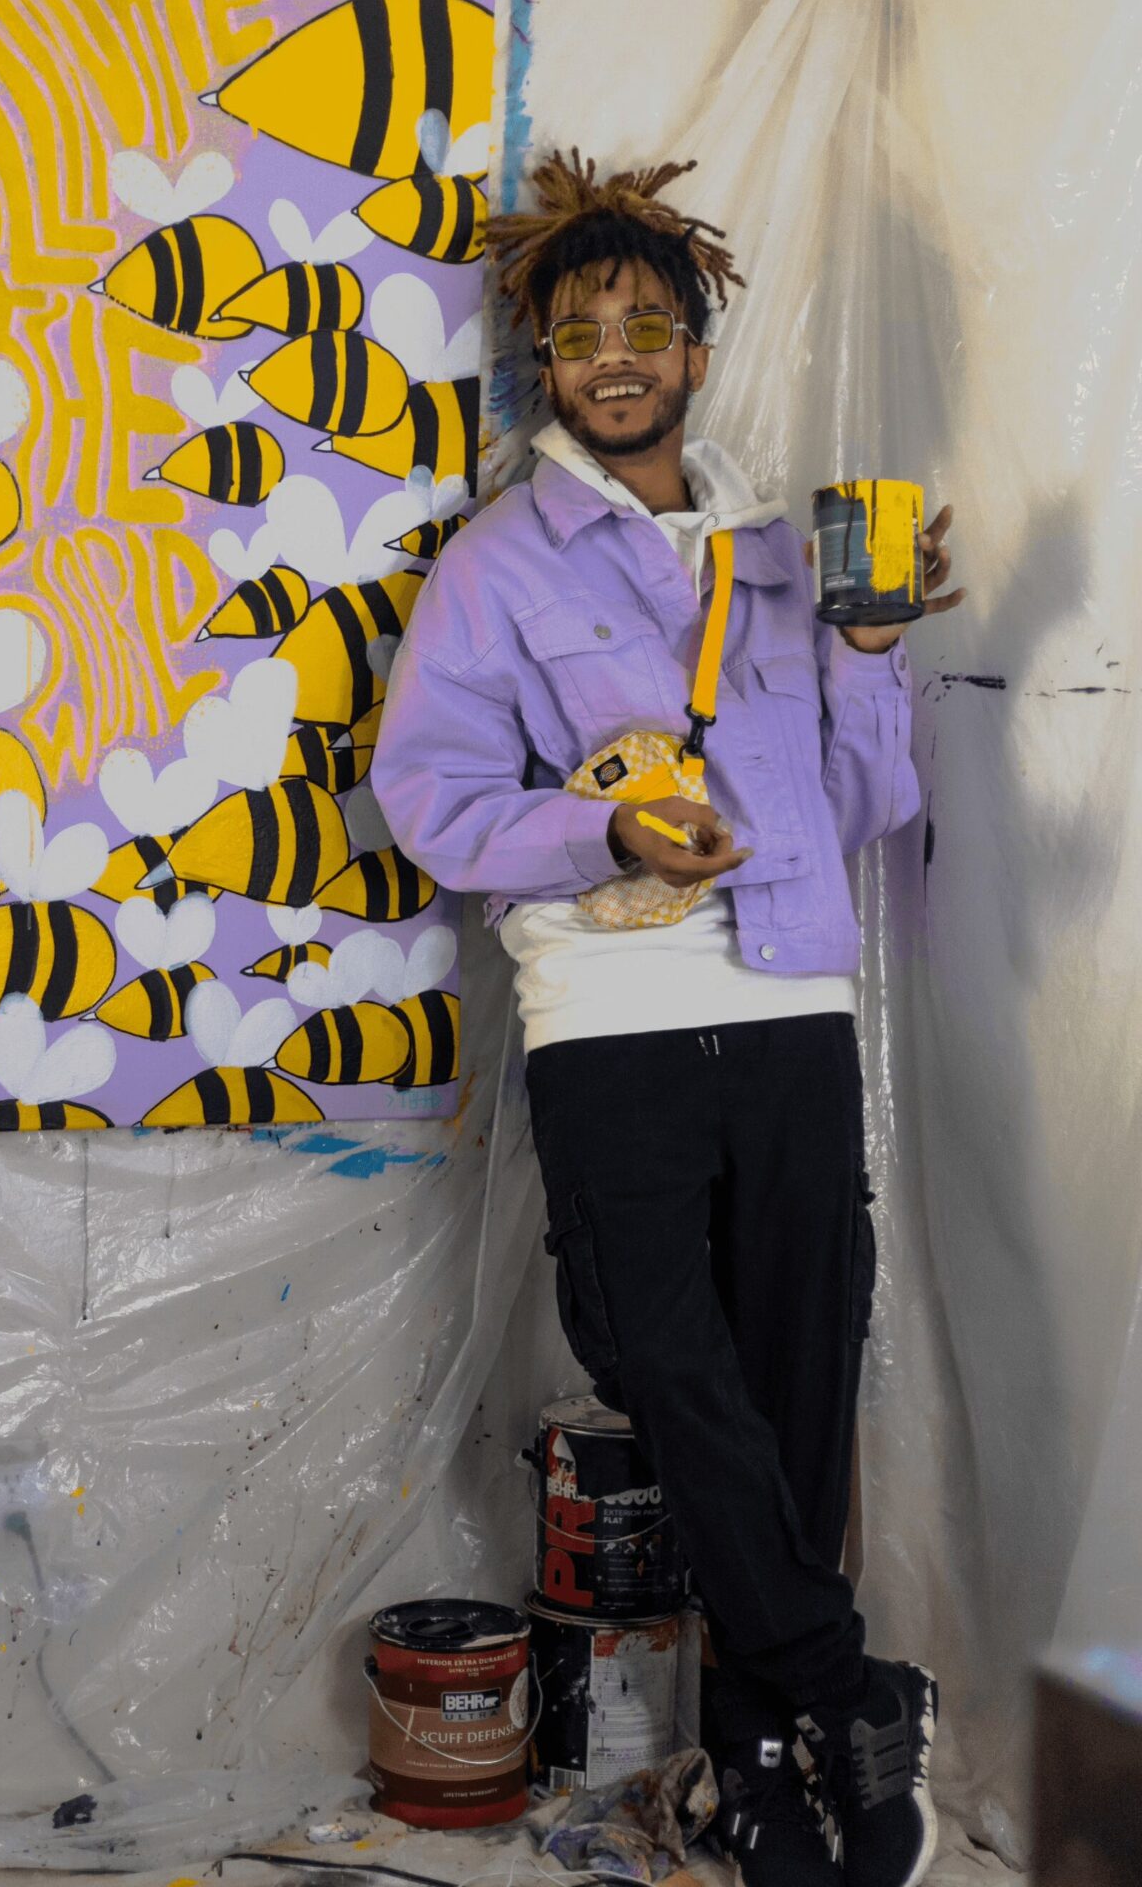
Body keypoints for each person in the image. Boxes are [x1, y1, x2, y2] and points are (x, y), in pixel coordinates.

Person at [371, 152, 966, 1887]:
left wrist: (868, 648)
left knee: (793, 1379)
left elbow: (858, 807)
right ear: (546, 369)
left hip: (788, 998)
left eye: (646, 327)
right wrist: (606, 832)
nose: (615, 356)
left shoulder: (783, 562)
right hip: (608, 1008)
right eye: (579, 335)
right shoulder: (494, 569)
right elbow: (428, 796)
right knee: (657, 1355)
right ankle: (847, 1684)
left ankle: (768, 1760)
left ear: (697, 354)